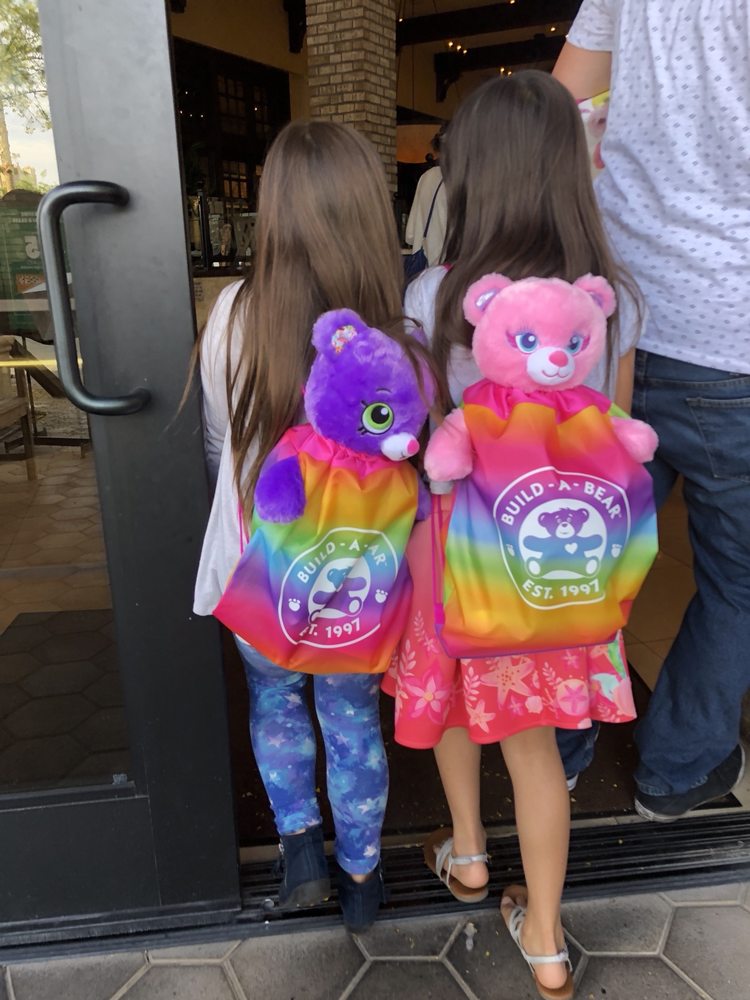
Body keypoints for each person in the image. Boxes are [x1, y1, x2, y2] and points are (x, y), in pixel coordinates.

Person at [383, 71, 643, 1000]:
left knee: (455, 702)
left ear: (474, 174)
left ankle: (467, 854)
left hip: (456, 549)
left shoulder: (438, 297)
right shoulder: (610, 301)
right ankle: (545, 941)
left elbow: (423, 439)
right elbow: (615, 434)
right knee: (533, 747)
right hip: (555, 559)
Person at [192, 121, 412, 933]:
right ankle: (362, 877)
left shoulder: (235, 313)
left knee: (274, 697)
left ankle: (300, 856)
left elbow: (219, 441)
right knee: (351, 715)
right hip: (357, 569)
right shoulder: (398, 329)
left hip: (263, 561)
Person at [553, 0, 749, 822]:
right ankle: (677, 767)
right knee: (738, 580)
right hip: (735, 338)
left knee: (583, 554)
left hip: (616, 320)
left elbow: (557, 104)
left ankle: (553, 755)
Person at [405, 127, 448, 268]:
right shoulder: (463, 179)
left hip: (426, 269)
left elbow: (410, 235)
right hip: (451, 269)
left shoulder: (426, 178)